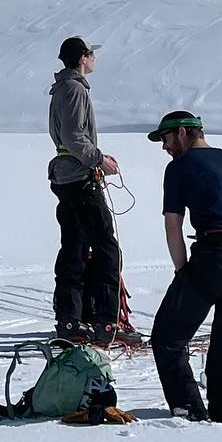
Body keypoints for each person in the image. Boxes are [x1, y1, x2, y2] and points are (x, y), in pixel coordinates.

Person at [146, 110, 222, 422]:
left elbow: (173, 225)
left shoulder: (179, 167)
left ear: (183, 132)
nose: (164, 146)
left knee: (168, 338)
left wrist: (182, 270)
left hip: (214, 256)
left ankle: (190, 412)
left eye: (166, 138)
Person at [47, 36, 123, 344]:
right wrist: (99, 160)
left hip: (67, 177)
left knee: (74, 249)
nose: (94, 60)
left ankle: (70, 321)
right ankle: (106, 322)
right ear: (82, 58)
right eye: (91, 55)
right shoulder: (75, 89)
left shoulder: (62, 89)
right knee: (105, 247)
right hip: (80, 176)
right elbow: (74, 136)